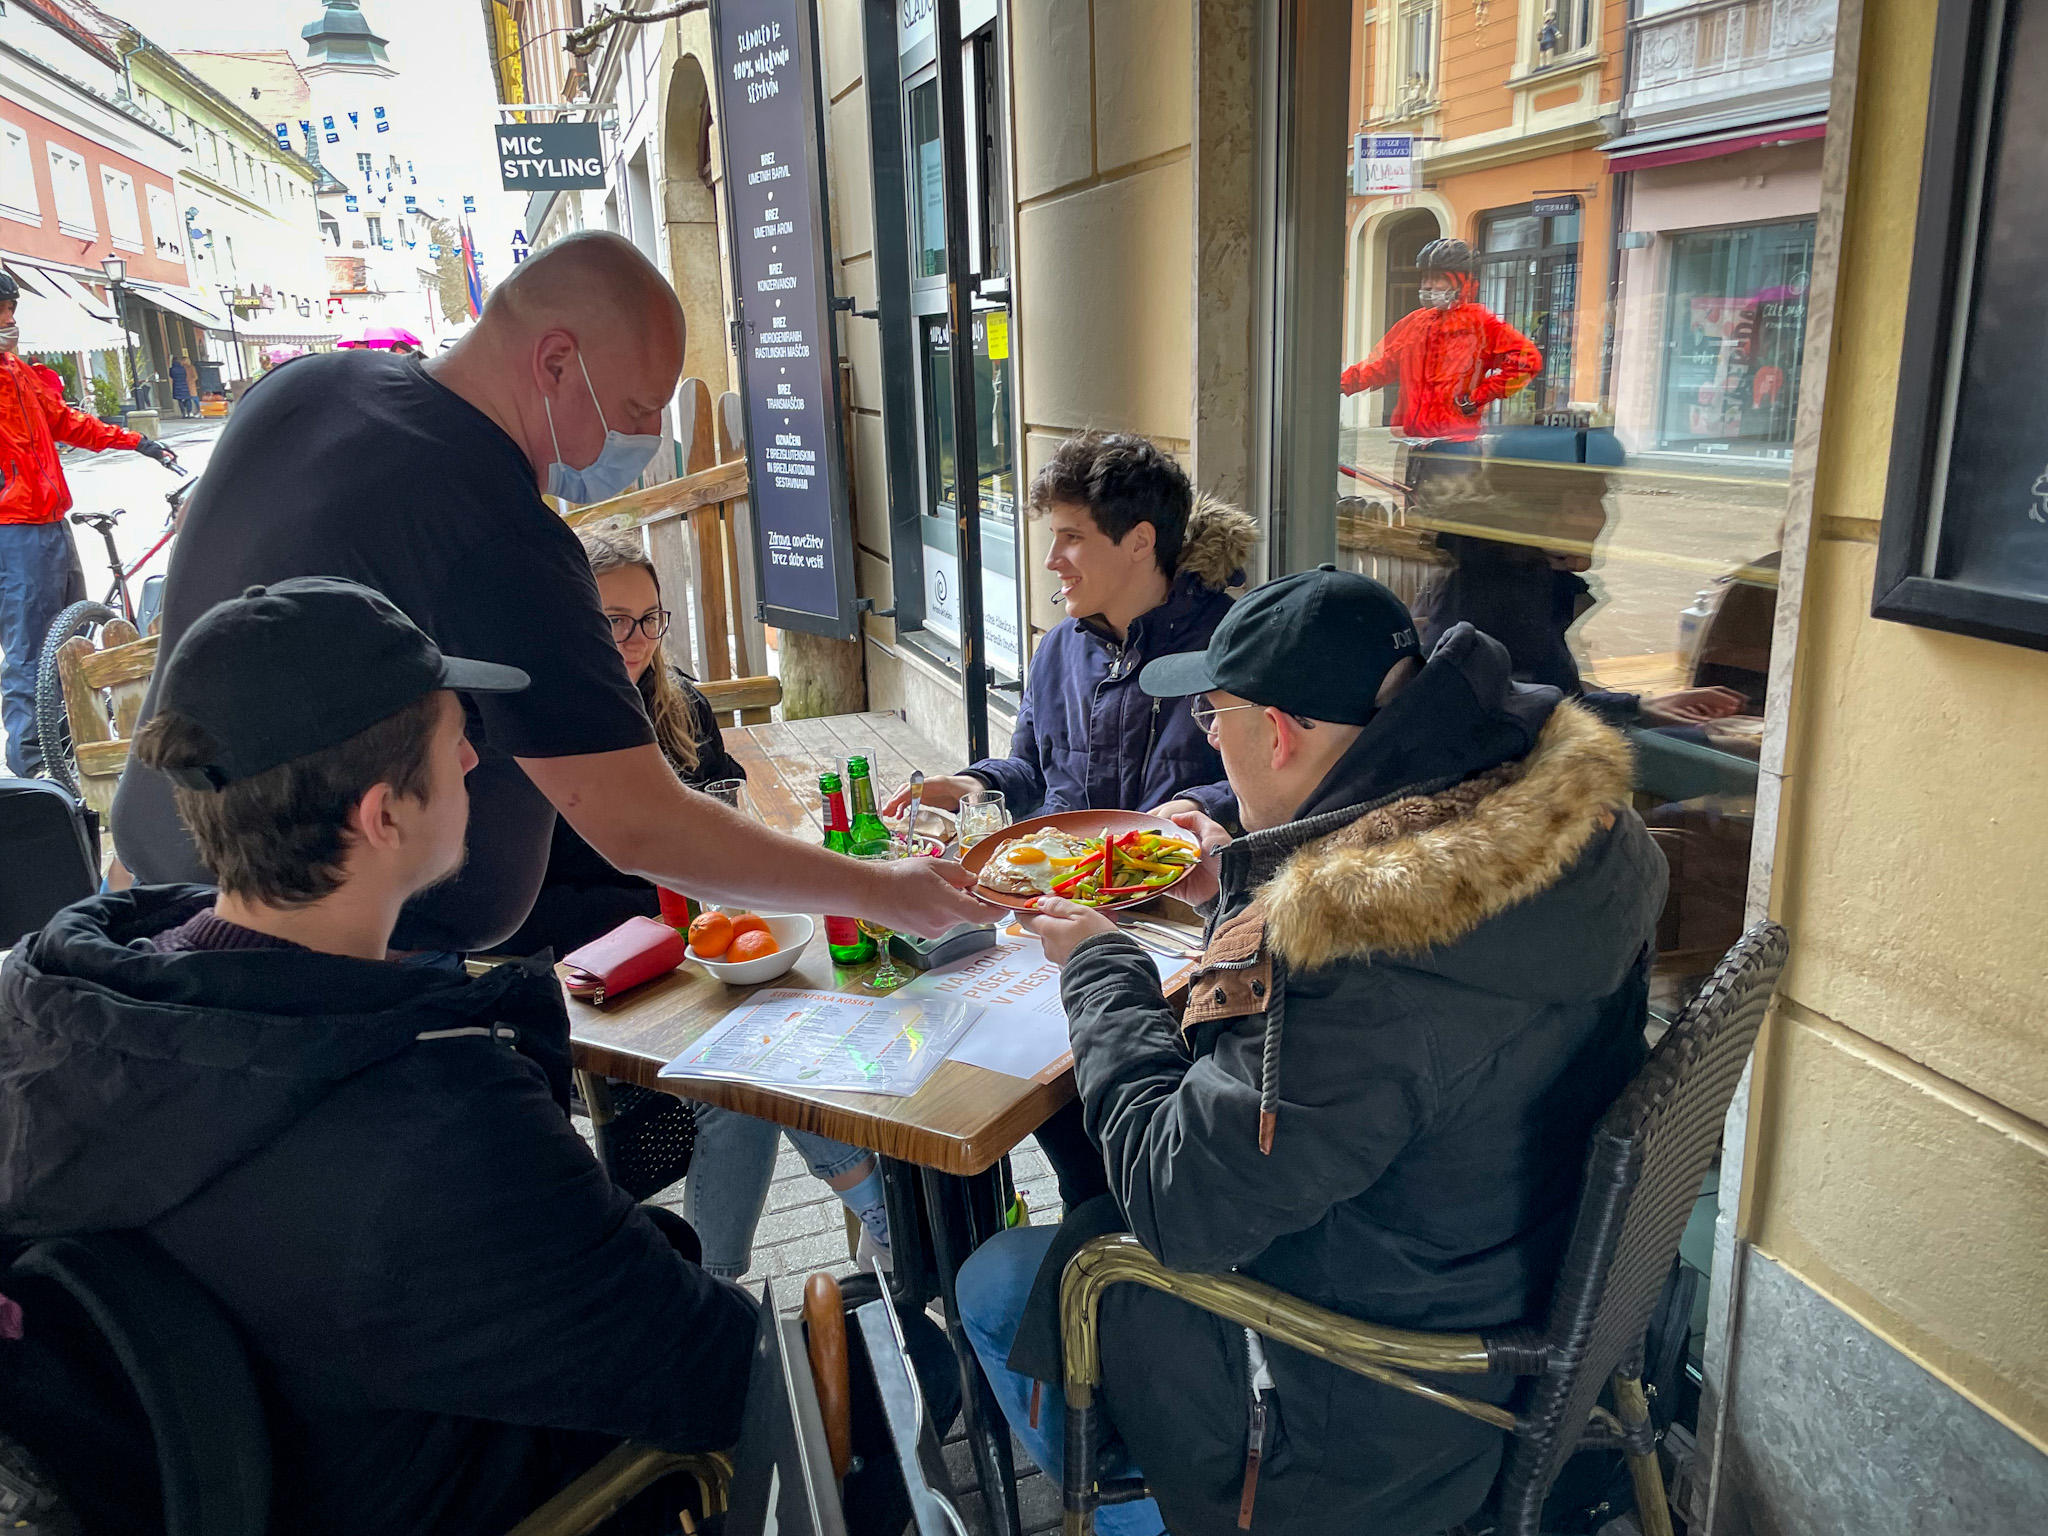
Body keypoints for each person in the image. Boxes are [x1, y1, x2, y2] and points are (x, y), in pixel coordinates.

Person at [0, 578, 952, 1535]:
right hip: (510, 1487)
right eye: (452, 740)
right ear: (382, 817)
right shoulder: (428, 1119)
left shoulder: (63, 1011)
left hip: (284, 1464)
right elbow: (715, 1370)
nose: (472, 756)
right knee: (905, 1362)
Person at [955, 568, 1667, 1536]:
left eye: (1214, 716)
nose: (1205, 738)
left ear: (1279, 733)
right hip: (1505, 1309)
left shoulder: (1360, 958)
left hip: (1360, 1433)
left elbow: (1177, 1200)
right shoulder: (1565, 836)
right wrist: (1249, 879)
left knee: (998, 1284)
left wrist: (1098, 966)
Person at [110, 230, 984, 953]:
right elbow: (642, 825)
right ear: (557, 362)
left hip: (160, 876)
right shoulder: (501, 537)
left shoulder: (310, 386)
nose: (647, 437)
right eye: (641, 410)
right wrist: (885, 892)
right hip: (327, 965)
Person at [500, 524, 896, 1278]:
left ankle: (733, 1279)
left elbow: (724, 831)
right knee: (740, 1084)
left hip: (704, 960)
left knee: (789, 1032)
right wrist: (653, 906)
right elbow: (529, 907)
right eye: (614, 620)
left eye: (650, 617)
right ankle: (851, 1222)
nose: (638, 637)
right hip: (596, 983)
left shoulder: (679, 704)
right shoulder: (542, 729)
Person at [886, 432, 1254, 830]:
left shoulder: (1237, 645)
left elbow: (1285, 786)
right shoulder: (1057, 648)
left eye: (1072, 538)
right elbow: (1033, 771)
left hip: (1182, 885)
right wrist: (975, 782)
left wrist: (1202, 805)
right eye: (1053, 537)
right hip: (1061, 884)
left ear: (1140, 542)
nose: (1051, 560)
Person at [0, 268, 179, 777]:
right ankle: (35, 765)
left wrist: (137, 441)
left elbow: (69, 422)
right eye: (2, 313)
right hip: (11, 529)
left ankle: (72, 745)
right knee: (32, 650)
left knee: (69, 634)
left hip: (50, 521)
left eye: (13, 312)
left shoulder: (17, 372)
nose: (10, 323)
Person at [1340, 238, 1540, 445]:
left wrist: (1477, 397)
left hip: (1456, 445)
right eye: (1426, 277)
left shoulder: (1481, 324)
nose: (1428, 285)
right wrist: (1340, 384)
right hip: (1415, 440)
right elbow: (1382, 365)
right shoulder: (1416, 322)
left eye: (1438, 278)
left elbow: (1528, 362)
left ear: (1464, 282)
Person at [169, 352, 195, 418]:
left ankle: (183, 413)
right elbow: (185, 375)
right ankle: (189, 412)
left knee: (180, 400)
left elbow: (171, 376)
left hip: (177, 386)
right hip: (184, 385)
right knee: (187, 399)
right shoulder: (182, 368)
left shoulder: (172, 369)